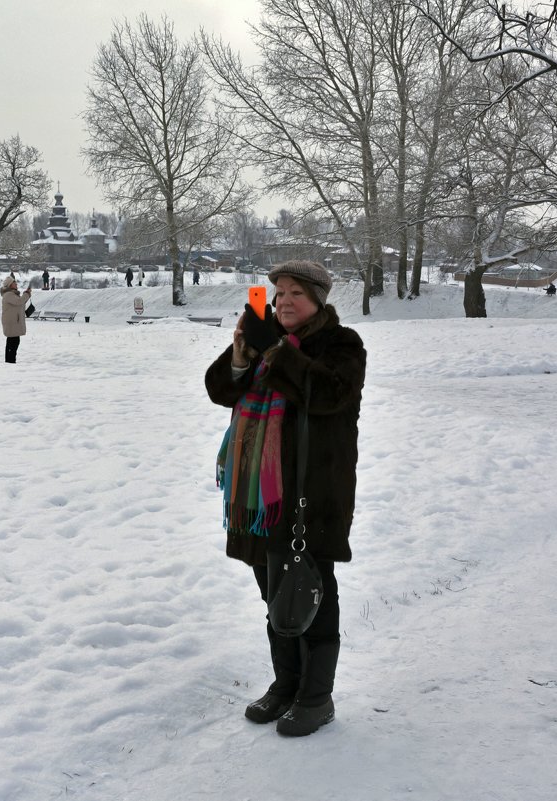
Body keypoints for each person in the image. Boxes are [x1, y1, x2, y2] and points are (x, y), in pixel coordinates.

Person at [205, 260, 366, 737]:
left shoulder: (342, 345)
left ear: (318, 298)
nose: (284, 301)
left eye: (296, 292)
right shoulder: (263, 340)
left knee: (311, 592)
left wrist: (274, 352)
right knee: (274, 594)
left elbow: (327, 394)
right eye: (278, 293)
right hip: (259, 498)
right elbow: (219, 389)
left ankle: (317, 697)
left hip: (310, 495)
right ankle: (286, 684)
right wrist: (240, 357)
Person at [0, 275, 32, 364]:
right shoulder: (8, 294)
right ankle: (10, 361)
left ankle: (10, 361)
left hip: (13, 322)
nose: (16, 283)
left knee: (12, 342)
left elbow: (19, 302)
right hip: (12, 323)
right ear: (10, 284)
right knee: (13, 343)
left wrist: (26, 294)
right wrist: (27, 294)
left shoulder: (12, 294)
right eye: (14, 282)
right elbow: (19, 302)